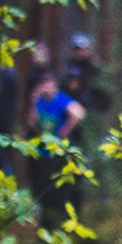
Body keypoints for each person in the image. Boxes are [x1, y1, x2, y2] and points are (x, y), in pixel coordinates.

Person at [25, 71, 85, 228]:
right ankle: (49, 224)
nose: (46, 87)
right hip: (44, 153)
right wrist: (33, 100)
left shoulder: (61, 99)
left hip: (61, 153)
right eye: (43, 84)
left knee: (64, 189)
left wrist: (63, 132)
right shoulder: (39, 102)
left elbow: (78, 113)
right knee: (46, 190)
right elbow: (32, 123)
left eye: (48, 84)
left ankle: (68, 221)